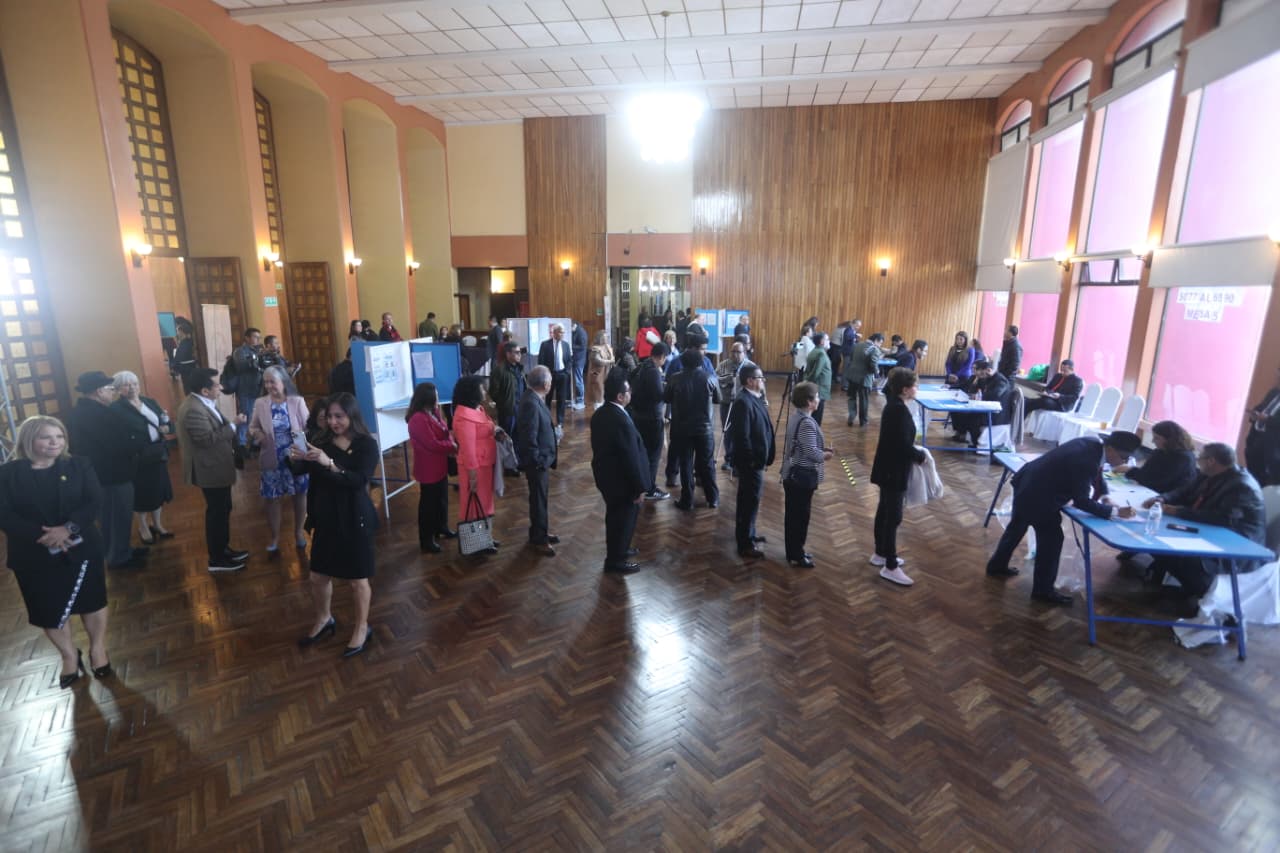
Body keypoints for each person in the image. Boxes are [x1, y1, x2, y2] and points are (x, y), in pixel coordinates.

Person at [0, 416, 113, 687]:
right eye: (46, 437)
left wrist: (68, 528)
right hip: (33, 554)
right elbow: (4, 513)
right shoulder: (7, 473)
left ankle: (98, 649)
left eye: (59, 437)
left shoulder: (78, 464)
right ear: (29, 441)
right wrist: (44, 536)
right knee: (48, 609)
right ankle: (68, 655)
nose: (55, 442)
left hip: (82, 547)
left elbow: (94, 500)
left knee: (92, 601)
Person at [986, 431, 1143, 605]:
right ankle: (1043, 591)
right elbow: (1081, 501)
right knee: (1052, 539)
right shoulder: (1087, 460)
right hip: (1039, 495)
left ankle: (996, 566)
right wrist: (1114, 512)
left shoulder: (1092, 445)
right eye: (1124, 457)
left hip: (1028, 482)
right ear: (1112, 449)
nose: (1124, 462)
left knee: (1016, 527)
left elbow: (1096, 473)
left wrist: (1105, 495)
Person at [289, 393, 379, 657]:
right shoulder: (321, 440)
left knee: (357, 580)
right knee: (318, 575)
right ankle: (324, 618)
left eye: (339, 416)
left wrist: (329, 464)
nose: (334, 421)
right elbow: (299, 471)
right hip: (326, 516)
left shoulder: (366, 444)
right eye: (329, 417)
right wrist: (295, 457)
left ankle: (362, 626)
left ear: (352, 415)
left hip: (354, 517)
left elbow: (358, 481)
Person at [1140, 443, 1267, 613]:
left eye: (1200, 459)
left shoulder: (1241, 485)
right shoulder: (1208, 474)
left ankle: (1202, 594)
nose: (1198, 462)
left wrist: (1179, 511)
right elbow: (1183, 491)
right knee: (1155, 542)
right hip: (1208, 529)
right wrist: (1162, 499)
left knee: (1182, 556)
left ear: (1211, 461)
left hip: (1234, 543)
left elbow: (1223, 518)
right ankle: (1185, 588)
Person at [66, 370, 147, 570]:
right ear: (98, 391)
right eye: (110, 389)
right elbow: (116, 443)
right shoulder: (97, 413)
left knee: (115, 516)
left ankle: (121, 549)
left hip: (103, 473)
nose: (113, 392)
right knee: (115, 516)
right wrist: (136, 444)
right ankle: (118, 557)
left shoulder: (81, 411)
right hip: (111, 475)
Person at [176, 368, 250, 573]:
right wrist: (234, 426)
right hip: (209, 469)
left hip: (217, 466)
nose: (221, 387)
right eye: (217, 385)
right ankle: (217, 559)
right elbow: (206, 440)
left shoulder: (203, 403)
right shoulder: (193, 409)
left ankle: (223, 550)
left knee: (223, 509)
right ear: (205, 390)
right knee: (217, 513)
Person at [870, 368, 927, 586]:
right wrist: (919, 455)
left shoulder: (894, 405)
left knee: (885, 510)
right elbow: (902, 445)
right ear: (905, 389)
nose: (917, 389)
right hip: (893, 469)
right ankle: (890, 566)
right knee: (893, 516)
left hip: (888, 467)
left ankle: (881, 553)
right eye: (915, 386)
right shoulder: (898, 411)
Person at [248, 365, 310, 558]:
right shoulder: (260, 403)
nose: (268, 385)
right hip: (271, 458)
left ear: (283, 382)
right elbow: (253, 427)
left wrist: (300, 440)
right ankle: (274, 537)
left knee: (299, 496)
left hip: (296, 457)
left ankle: (299, 532)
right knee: (272, 499)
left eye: (272, 381)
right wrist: (260, 436)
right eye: (265, 382)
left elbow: (309, 426)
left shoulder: (297, 401)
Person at [591, 369, 649, 575]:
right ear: (620, 396)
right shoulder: (620, 420)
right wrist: (639, 487)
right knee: (623, 520)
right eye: (628, 392)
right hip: (622, 482)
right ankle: (616, 560)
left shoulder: (600, 414)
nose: (631, 394)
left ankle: (620, 549)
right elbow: (630, 458)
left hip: (607, 478)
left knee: (615, 518)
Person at [110, 371, 174, 545]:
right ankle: (143, 526)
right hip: (137, 458)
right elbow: (116, 436)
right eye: (126, 385)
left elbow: (165, 421)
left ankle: (158, 524)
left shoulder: (149, 402)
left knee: (158, 490)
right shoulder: (115, 410)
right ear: (118, 389)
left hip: (157, 453)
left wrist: (167, 428)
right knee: (142, 494)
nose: (132, 388)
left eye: (135, 383)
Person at [779, 381, 831, 569]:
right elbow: (812, 453)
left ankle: (794, 551)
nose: (819, 399)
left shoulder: (797, 417)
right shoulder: (807, 423)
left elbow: (803, 445)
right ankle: (796, 554)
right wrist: (825, 454)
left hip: (792, 475)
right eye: (816, 396)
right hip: (801, 477)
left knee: (794, 516)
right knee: (800, 517)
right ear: (809, 402)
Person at [726, 364, 775, 559]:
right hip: (750, 464)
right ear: (750, 381)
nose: (763, 381)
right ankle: (745, 543)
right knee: (748, 501)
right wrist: (752, 461)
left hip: (756, 462)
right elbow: (742, 437)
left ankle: (750, 534)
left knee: (752, 500)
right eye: (760, 378)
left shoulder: (755, 398)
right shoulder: (743, 402)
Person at [666, 347, 722, 510]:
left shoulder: (675, 379)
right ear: (700, 361)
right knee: (707, 464)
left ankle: (687, 500)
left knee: (685, 464)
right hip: (704, 429)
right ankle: (713, 499)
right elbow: (719, 399)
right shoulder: (709, 378)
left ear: (683, 361)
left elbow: (666, 397)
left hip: (681, 428)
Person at [452, 375, 501, 552]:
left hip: (485, 465)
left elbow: (487, 427)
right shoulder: (464, 417)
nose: (484, 392)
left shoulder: (477, 409)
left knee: (485, 503)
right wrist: (472, 476)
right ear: (472, 392)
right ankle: (476, 543)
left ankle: (485, 538)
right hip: (474, 469)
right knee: (474, 506)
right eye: (481, 389)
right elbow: (468, 450)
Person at [407, 383, 456, 554]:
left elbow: (444, 430)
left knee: (441, 499)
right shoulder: (418, 419)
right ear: (427, 398)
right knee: (428, 505)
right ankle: (426, 538)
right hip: (428, 468)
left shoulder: (434, 412)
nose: (438, 397)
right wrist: (452, 446)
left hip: (439, 465)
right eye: (435, 395)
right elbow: (432, 444)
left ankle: (441, 527)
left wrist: (449, 442)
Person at [517, 366, 559, 557]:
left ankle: (539, 532)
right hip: (537, 462)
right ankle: (539, 539)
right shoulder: (531, 403)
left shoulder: (533, 398)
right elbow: (528, 436)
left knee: (539, 499)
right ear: (545, 384)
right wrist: (537, 461)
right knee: (539, 500)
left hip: (541, 460)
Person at [630, 341, 670, 500]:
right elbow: (658, 395)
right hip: (651, 418)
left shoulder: (641, 366)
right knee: (654, 455)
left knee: (643, 452)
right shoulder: (653, 371)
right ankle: (650, 489)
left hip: (638, 416)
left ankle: (641, 484)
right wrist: (667, 389)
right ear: (662, 356)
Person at [1113, 420, 1198, 494]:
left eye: (1157, 438)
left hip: (1164, 496)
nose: (1153, 441)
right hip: (1149, 489)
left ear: (1169, 440)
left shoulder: (1183, 458)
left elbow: (1154, 481)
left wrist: (1130, 470)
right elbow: (1146, 472)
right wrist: (1132, 470)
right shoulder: (1161, 451)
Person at [949, 359, 1012, 448]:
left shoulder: (1001, 380)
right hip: (987, 407)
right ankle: (965, 436)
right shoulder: (987, 378)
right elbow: (974, 390)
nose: (978, 375)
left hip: (998, 413)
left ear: (987, 370)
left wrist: (980, 396)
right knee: (959, 412)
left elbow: (995, 395)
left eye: (979, 373)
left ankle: (976, 444)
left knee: (972, 418)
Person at [716, 342, 754, 471]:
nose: (735, 355)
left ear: (744, 353)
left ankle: (740, 460)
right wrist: (728, 381)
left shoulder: (750, 367)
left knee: (743, 432)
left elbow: (757, 384)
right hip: (727, 402)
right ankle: (729, 459)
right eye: (733, 352)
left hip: (744, 405)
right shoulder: (723, 365)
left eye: (738, 352)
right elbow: (716, 380)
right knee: (727, 432)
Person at [1244, 365, 1280, 487]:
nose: (1277, 380)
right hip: (1256, 439)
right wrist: (1254, 414)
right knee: (1252, 476)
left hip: (1273, 447)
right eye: (1277, 376)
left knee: (1267, 482)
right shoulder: (1273, 392)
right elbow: (1261, 407)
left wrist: (1267, 419)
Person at [230, 328, 264, 448]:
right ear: (247, 338)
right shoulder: (240, 351)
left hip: (258, 388)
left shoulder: (258, 350)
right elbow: (241, 366)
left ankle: (255, 442)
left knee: (257, 416)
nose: (257, 340)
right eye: (255, 337)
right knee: (245, 417)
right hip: (245, 389)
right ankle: (241, 443)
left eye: (258, 337)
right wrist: (255, 359)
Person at [537, 323, 572, 437]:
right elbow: (541, 360)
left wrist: (566, 372)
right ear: (555, 332)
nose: (562, 334)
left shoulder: (566, 345)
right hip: (549, 375)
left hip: (562, 375)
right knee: (548, 398)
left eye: (563, 332)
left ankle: (560, 422)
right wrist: (545, 375)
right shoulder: (545, 345)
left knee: (561, 399)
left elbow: (569, 360)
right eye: (560, 332)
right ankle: (546, 419)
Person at [488, 340, 526, 441]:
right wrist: (504, 403)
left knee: (520, 437)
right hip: (508, 411)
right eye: (516, 352)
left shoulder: (520, 368)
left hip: (521, 409)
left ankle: (518, 456)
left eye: (520, 352)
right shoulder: (499, 370)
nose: (520, 355)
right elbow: (493, 392)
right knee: (507, 439)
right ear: (508, 354)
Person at [844, 333, 882, 428]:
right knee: (863, 400)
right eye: (880, 343)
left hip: (852, 375)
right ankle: (863, 421)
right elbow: (873, 364)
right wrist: (877, 371)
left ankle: (851, 417)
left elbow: (852, 359)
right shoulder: (874, 349)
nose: (880, 345)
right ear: (876, 340)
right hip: (864, 379)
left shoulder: (857, 345)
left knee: (852, 397)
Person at [803, 331, 832, 424]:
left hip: (816, 387)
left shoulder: (814, 351)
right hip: (820, 388)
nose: (829, 341)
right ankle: (814, 435)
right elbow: (815, 373)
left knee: (813, 414)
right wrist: (808, 383)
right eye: (827, 339)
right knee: (817, 417)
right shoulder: (821, 354)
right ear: (822, 341)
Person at [585, 330, 615, 411]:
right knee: (598, 394)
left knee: (606, 393)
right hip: (597, 374)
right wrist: (609, 361)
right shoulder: (594, 348)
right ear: (600, 338)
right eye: (605, 337)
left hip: (607, 373)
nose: (606, 339)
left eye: (607, 337)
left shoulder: (608, 347)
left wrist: (612, 360)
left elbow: (612, 357)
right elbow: (597, 360)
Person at [170, 321, 197, 388]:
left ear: (182, 332)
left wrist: (174, 366)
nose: (177, 333)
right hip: (187, 369)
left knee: (188, 388)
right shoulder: (186, 342)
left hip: (187, 369)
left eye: (178, 331)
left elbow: (180, 356)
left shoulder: (186, 343)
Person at [571, 321, 589, 409]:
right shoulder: (576, 331)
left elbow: (582, 346)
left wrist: (570, 346)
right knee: (576, 380)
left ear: (574, 325)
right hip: (576, 360)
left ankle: (580, 401)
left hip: (579, 360)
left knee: (578, 381)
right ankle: (575, 399)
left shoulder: (581, 332)